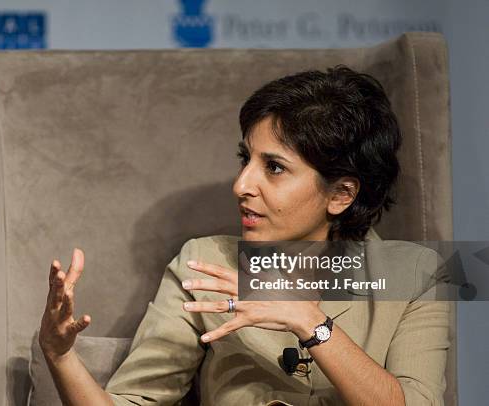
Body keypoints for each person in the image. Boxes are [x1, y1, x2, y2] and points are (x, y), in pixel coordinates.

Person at [38, 65, 451, 405]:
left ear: (341, 194)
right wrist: (60, 356)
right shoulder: (203, 264)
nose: (241, 184)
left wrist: (308, 319)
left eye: (274, 167)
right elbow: (135, 401)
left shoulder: (416, 276)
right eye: (245, 159)